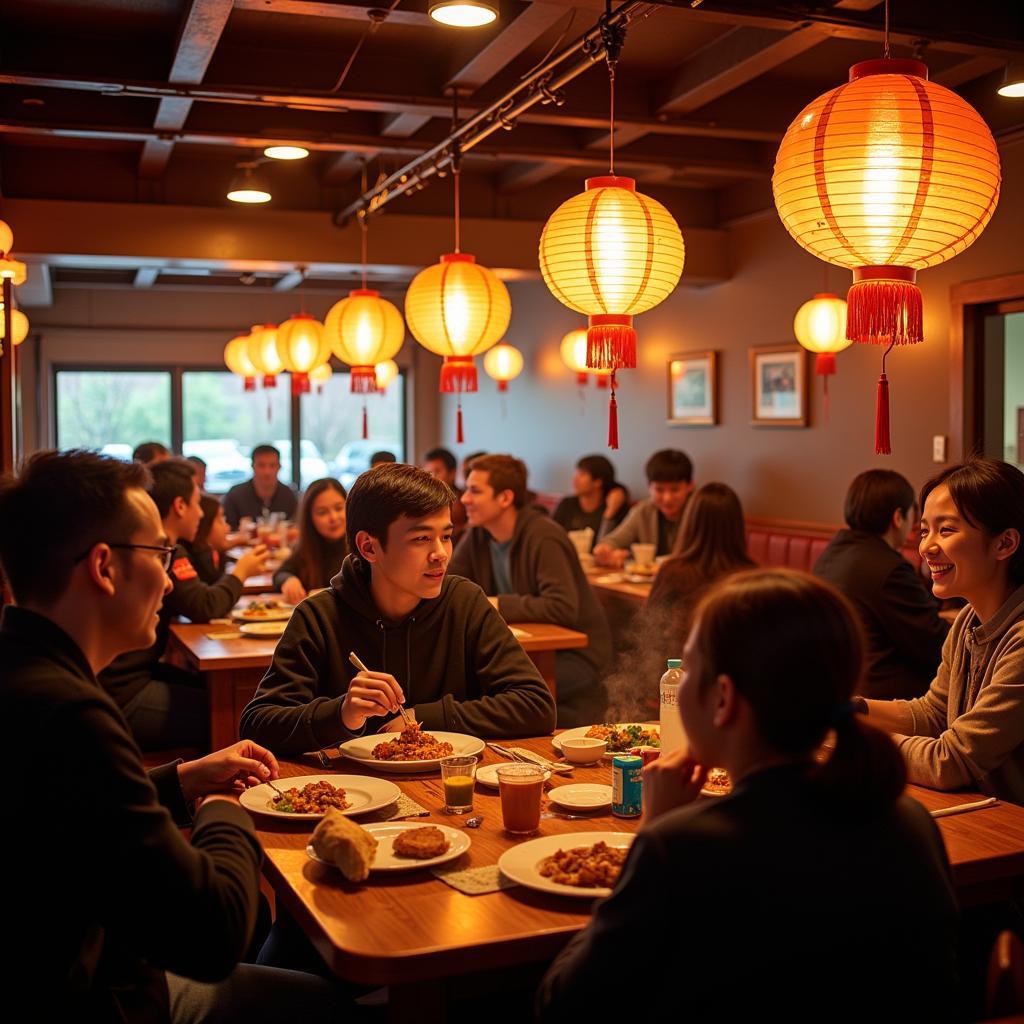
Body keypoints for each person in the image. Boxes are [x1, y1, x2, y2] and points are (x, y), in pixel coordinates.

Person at [0, 449, 343, 1022]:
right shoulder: (72, 712)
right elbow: (212, 936)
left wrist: (183, 779)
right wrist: (223, 808)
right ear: (104, 566)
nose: (169, 575)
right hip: (103, 996)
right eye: (161, 552)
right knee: (330, 1007)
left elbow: (80, 809)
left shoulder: (23, 673)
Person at [537, 569, 959, 1020]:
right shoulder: (911, 822)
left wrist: (652, 830)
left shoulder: (679, 846)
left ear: (723, 699)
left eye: (688, 669)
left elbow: (563, 1004)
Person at [239, 463, 556, 755]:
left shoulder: (464, 602)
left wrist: (425, 717)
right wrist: (342, 713)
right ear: (369, 547)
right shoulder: (319, 616)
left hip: (448, 789)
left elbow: (536, 705)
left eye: (445, 536)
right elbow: (257, 725)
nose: (440, 554)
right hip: (350, 796)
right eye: (421, 538)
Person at [858, 458, 1024, 803]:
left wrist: (854, 738)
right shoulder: (966, 620)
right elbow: (933, 713)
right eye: (924, 530)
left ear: (1005, 543)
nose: (926, 547)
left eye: (946, 530)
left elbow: (952, 761)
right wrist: (849, 709)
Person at [100, 459, 269, 751]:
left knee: (222, 694)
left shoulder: (169, 549)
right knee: (232, 714)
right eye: (197, 503)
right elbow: (204, 604)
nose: (202, 512)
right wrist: (241, 571)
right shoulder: (161, 550)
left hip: (137, 675)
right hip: (123, 691)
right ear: (179, 506)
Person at [451, 454, 612, 726]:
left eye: (475, 491)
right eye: (466, 489)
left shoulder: (543, 535)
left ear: (505, 498)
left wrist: (494, 603)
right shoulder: (479, 535)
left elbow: (561, 606)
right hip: (524, 651)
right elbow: (452, 585)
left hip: (577, 656)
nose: (464, 499)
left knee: (493, 688)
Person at [814, 469, 949, 699]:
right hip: (882, 692)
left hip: (838, 682)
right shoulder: (888, 568)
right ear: (898, 517)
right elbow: (936, 645)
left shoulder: (833, 552)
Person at [647, 482, 755, 638]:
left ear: (690, 522)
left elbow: (652, 630)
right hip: (735, 662)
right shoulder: (753, 575)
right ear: (737, 525)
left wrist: (674, 664)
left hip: (679, 660)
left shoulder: (674, 572)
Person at [593, 448, 694, 566]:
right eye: (659, 490)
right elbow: (613, 540)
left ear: (690, 486)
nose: (667, 498)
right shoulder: (644, 510)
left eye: (675, 490)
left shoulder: (700, 510)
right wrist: (605, 551)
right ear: (649, 487)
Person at [273, 478, 349, 604]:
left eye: (339, 508)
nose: (333, 517)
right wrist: (289, 580)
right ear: (310, 519)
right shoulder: (307, 548)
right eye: (322, 512)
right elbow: (280, 574)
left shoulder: (362, 547)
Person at [553, 454, 629, 549]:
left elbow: (605, 547)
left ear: (598, 482)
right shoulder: (566, 504)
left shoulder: (615, 508)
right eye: (576, 473)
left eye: (582, 474)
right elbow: (552, 536)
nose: (575, 479)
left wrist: (610, 513)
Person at [222, 444, 298, 529]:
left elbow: (294, 527)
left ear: (279, 467)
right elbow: (227, 530)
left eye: (272, 465)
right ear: (252, 466)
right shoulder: (235, 495)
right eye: (261, 465)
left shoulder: (288, 495)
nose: (267, 472)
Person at [422, 445, 468, 544]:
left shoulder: (464, 502)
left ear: (452, 473)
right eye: (428, 472)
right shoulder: (420, 501)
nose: (432, 477)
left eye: (437, 471)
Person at [187, 494, 233, 585]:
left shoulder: (214, 555)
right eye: (220, 520)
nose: (227, 528)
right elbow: (209, 598)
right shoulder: (196, 562)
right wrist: (241, 572)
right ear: (204, 524)